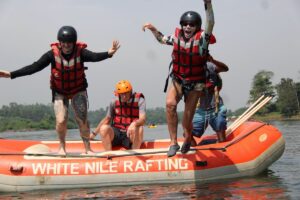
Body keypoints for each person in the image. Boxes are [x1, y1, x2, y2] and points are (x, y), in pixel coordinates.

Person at [0, 26, 120, 155]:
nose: (67, 45)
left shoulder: (81, 52)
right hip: (60, 92)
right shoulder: (51, 54)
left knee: (82, 120)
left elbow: (95, 56)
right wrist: (12, 74)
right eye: (64, 42)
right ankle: (62, 148)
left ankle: (87, 149)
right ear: (60, 42)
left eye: (69, 43)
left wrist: (108, 54)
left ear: (74, 43)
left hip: (78, 90)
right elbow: (34, 67)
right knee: (61, 120)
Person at [142, 0, 215, 157]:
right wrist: (153, 29)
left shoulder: (202, 39)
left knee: (186, 122)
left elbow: (211, 21)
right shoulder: (176, 38)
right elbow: (161, 39)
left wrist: (208, 4)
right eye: (185, 24)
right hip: (178, 79)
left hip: (196, 83)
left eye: (192, 24)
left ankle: (188, 138)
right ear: (182, 25)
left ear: (197, 26)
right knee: (170, 105)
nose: (188, 27)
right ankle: (173, 143)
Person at [90, 80, 146, 150]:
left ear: (131, 91)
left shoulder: (140, 100)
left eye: (126, 93)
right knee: (104, 128)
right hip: (117, 132)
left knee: (140, 128)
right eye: (122, 94)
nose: (124, 96)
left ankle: (135, 153)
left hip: (130, 133)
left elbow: (143, 119)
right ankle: (109, 155)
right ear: (118, 93)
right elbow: (107, 119)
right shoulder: (113, 101)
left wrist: (134, 124)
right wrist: (93, 135)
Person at [192, 55, 229, 145]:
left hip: (216, 108)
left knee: (220, 129)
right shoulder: (192, 71)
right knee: (187, 133)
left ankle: (221, 147)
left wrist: (213, 60)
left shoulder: (210, 66)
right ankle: (195, 152)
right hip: (201, 110)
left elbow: (225, 68)